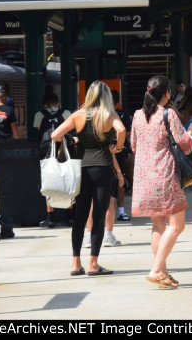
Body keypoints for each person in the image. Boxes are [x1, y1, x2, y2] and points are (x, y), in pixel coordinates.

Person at [50, 81, 126, 277]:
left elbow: (56, 135)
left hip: (81, 170)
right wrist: (117, 148)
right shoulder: (109, 115)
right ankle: (93, 263)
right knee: (98, 217)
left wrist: (73, 139)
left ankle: (76, 263)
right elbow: (122, 130)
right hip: (103, 169)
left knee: (80, 217)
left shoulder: (78, 115)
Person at [131, 74, 192, 289]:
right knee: (177, 225)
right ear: (167, 93)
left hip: (144, 178)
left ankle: (164, 274)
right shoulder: (169, 115)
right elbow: (185, 145)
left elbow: (133, 145)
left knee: (158, 225)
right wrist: (190, 135)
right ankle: (156, 269)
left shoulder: (137, 115)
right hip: (165, 176)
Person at [35, 91, 74, 228]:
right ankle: (69, 217)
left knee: (48, 185)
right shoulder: (66, 113)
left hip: (46, 155)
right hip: (64, 152)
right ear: (58, 103)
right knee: (66, 183)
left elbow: (36, 131)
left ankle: (50, 219)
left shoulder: (39, 115)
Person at [111, 89, 133, 222]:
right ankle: (120, 211)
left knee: (119, 179)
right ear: (118, 101)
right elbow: (128, 131)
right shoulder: (122, 114)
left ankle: (119, 211)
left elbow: (127, 132)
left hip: (115, 150)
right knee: (119, 180)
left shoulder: (119, 114)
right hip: (119, 150)